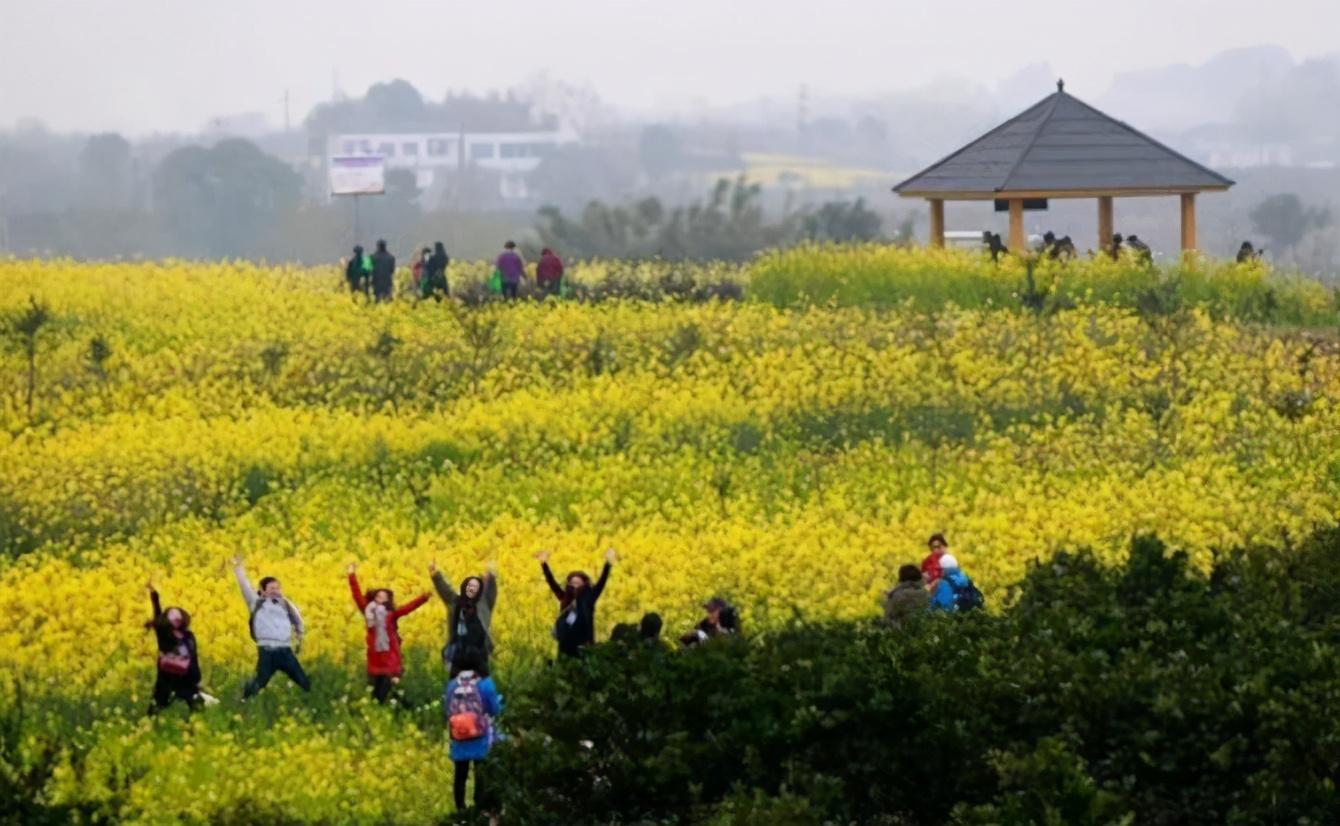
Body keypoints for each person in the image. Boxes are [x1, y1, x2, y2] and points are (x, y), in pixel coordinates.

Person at [348, 563, 430, 704]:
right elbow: (357, 595)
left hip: (389, 660)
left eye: (384, 597)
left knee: (386, 692)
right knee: (375, 695)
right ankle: (391, 713)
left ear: (387, 600)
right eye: (378, 596)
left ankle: (401, 710)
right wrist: (351, 575)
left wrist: (423, 598)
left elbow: (407, 608)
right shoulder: (369, 614)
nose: (380, 598)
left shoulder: (391, 615)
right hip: (374, 659)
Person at [232, 556, 310, 699]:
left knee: (302, 679)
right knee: (260, 680)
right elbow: (244, 586)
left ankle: (312, 699)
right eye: (272, 588)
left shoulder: (286, 604)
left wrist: (299, 639)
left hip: (285, 650)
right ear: (262, 591)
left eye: (278, 588)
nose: (276, 591)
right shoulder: (256, 602)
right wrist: (238, 568)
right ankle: (243, 700)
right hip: (266, 650)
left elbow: (298, 621)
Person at [445, 647, 502, 814]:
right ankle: (480, 808)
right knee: (481, 773)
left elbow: (448, 710)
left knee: (460, 774)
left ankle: (460, 809)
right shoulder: (485, 684)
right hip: (480, 737)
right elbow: (494, 709)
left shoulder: (452, 685)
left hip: (459, 737)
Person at [536, 547, 616, 658]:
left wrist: (608, 563)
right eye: (572, 583)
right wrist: (543, 563)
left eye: (578, 583)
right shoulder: (565, 597)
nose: (575, 586)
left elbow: (602, 581)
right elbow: (551, 581)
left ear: (585, 584)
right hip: (566, 646)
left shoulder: (590, 597)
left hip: (584, 646)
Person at [430, 558, 498, 676]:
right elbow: (445, 590)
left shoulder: (484, 602)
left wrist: (491, 575)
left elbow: (491, 590)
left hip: (479, 650)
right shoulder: (455, 601)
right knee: (458, 684)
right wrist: (435, 575)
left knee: (479, 683)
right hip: (458, 650)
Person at [145, 579, 203, 714]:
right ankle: (149, 728)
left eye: (178, 615)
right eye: (172, 614)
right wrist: (154, 595)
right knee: (156, 707)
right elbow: (157, 614)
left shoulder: (188, 636)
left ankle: (192, 730)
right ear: (166, 619)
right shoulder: (164, 634)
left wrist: (197, 678)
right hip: (168, 679)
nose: (176, 617)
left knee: (197, 707)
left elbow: (194, 657)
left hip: (187, 679)